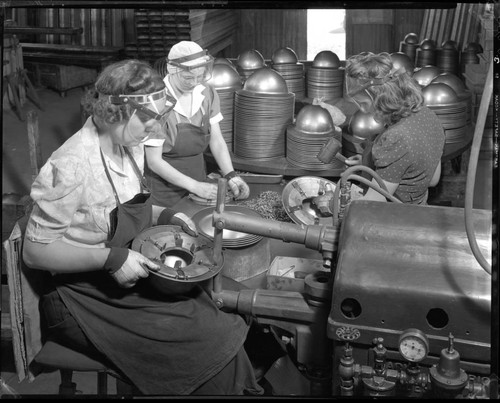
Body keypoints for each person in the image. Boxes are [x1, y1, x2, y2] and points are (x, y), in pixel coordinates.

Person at [22, 59, 266, 396]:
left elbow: (128, 206)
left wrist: (167, 216)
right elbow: (35, 252)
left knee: (231, 299)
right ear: (112, 114)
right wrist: (110, 259)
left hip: (123, 265)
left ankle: (242, 384)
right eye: (148, 119)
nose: (153, 130)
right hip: (79, 293)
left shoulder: (129, 144)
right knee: (204, 336)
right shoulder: (72, 165)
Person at [316, 51, 445, 209]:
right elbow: (432, 180)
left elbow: (373, 203)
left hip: (396, 218)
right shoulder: (428, 115)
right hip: (420, 206)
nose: (363, 110)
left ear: (377, 97)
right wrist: (368, 162)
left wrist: (332, 203)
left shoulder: (396, 138)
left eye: (363, 103)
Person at [144, 40, 250, 207]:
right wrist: (194, 186)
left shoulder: (207, 93)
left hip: (200, 182)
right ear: (172, 69)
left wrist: (231, 175)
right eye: (188, 77)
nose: (194, 83)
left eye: (199, 76)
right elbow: (154, 161)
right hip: (164, 191)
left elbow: (216, 140)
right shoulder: (156, 102)